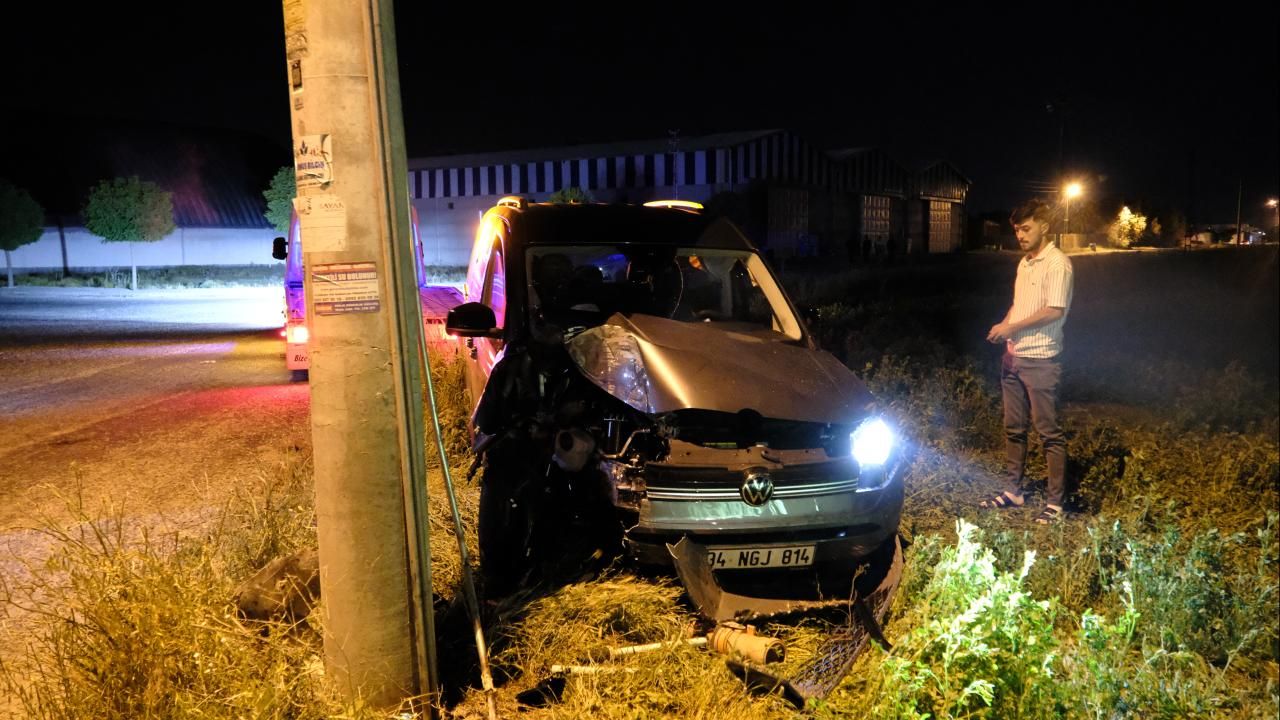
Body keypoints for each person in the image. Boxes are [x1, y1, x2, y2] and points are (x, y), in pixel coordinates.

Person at [981, 200, 1074, 524]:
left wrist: (1013, 328)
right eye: (1017, 230)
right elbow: (1019, 304)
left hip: (1041, 359)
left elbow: (1054, 310)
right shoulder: (1025, 263)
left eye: (1026, 228)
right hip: (1013, 357)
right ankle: (1014, 491)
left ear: (1044, 227)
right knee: (1014, 428)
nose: (1020, 235)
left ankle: (1055, 504)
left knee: (1049, 432)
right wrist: (1004, 326)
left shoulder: (1057, 264)